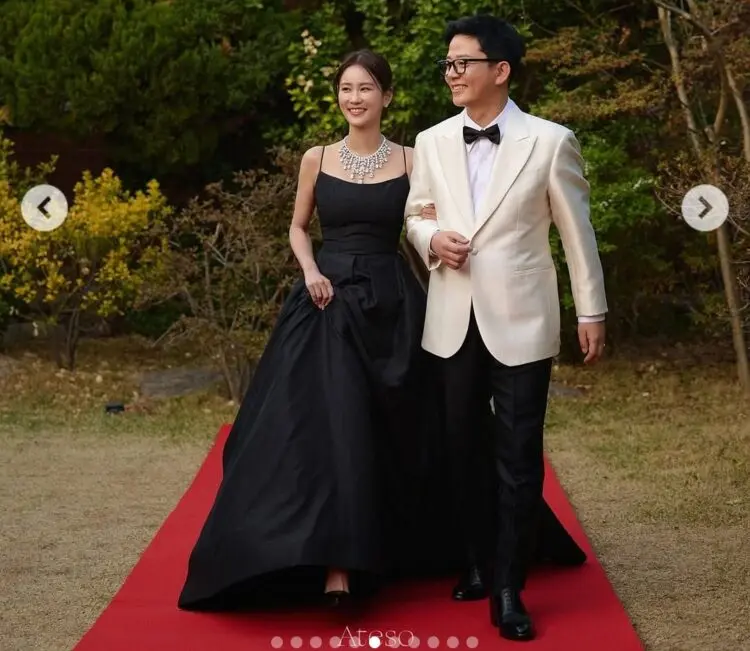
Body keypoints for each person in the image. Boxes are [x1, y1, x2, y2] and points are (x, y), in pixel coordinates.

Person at [177, 48, 586, 613]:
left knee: (429, 426)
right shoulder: (317, 158)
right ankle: (335, 567)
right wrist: (311, 271)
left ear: (386, 96)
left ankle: (462, 548)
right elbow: (298, 227)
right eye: (346, 88)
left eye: (366, 88)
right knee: (329, 428)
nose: (355, 98)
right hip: (327, 303)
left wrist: (449, 255)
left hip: (394, 305)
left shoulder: (418, 157)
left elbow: (429, 223)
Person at [405, 14, 608, 642]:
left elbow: (577, 233)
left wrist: (591, 310)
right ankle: (475, 560)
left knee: (519, 456)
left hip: (523, 318)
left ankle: (508, 587)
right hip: (451, 318)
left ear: (500, 69)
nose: (451, 73)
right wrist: (431, 237)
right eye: (447, 63)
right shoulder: (432, 140)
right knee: (461, 449)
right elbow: (415, 212)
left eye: (462, 62)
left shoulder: (550, 141)